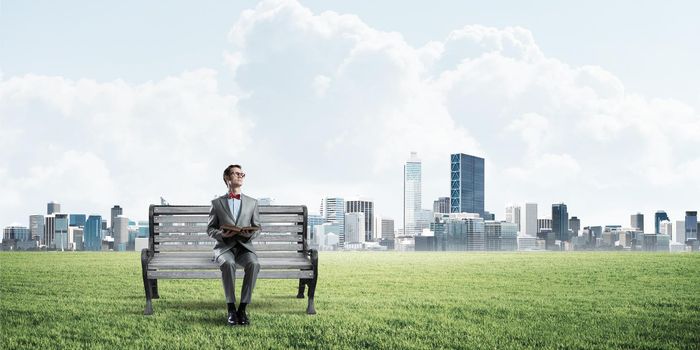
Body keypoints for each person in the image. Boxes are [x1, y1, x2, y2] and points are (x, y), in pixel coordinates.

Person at [207, 164, 261, 326]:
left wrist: (250, 233)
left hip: (245, 247)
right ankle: (231, 308)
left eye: (242, 174)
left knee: (254, 263)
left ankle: (242, 309)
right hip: (224, 247)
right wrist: (221, 234)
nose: (240, 176)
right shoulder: (216, 203)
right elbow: (210, 229)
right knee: (229, 263)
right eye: (236, 173)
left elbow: (258, 227)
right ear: (227, 178)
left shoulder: (252, 203)